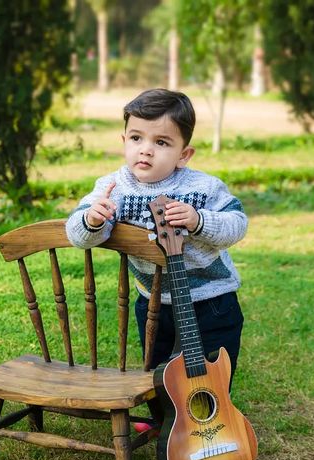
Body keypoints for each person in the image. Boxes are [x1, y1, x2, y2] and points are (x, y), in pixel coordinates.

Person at [66, 88, 247, 428]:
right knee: (158, 363)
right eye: (136, 137)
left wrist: (198, 220)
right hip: (154, 300)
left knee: (213, 363)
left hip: (211, 297)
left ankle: (214, 416)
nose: (145, 149)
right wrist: (92, 220)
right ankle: (167, 418)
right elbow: (75, 233)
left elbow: (237, 224)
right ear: (124, 140)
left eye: (162, 142)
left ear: (184, 153)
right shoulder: (111, 188)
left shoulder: (204, 188)